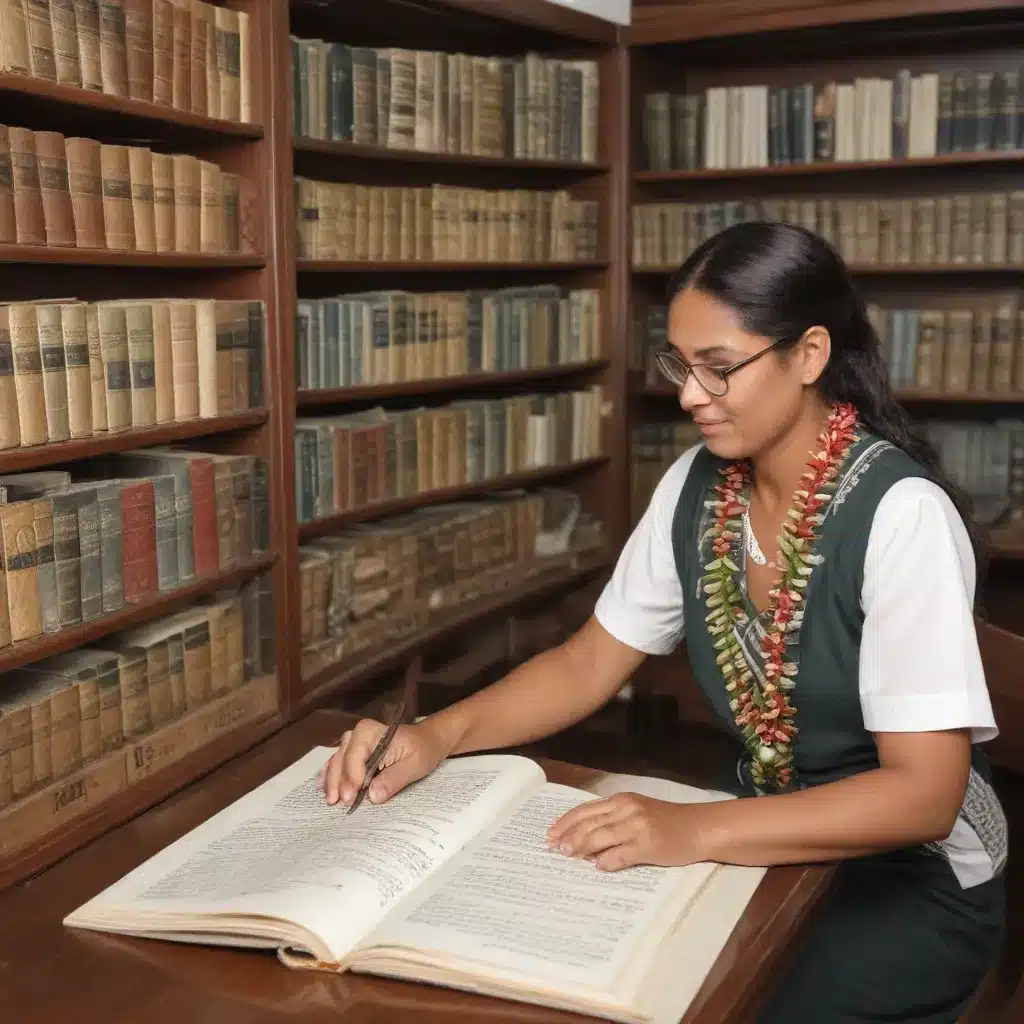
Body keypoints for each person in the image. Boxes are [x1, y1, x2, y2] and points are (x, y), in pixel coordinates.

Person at [319, 221, 1007, 1023]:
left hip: (910, 880)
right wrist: (438, 734)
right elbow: (587, 665)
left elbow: (922, 798)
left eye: (720, 369)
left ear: (810, 355)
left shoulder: (903, 516)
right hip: (754, 834)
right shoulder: (697, 485)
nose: (688, 395)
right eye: (680, 365)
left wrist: (692, 831)